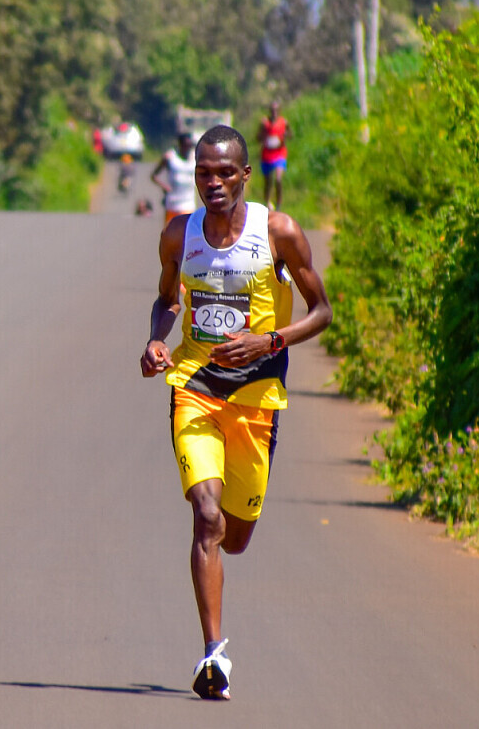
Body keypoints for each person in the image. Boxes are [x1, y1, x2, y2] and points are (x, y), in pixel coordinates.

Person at [139, 125, 331, 700]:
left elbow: (322, 311)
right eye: (204, 173)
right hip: (195, 386)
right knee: (206, 517)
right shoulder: (179, 234)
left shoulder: (278, 233)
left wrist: (268, 342)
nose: (213, 183)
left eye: (225, 172)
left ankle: (223, 551)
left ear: (246, 175)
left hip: (256, 399)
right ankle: (213, 656)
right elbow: (167, 300)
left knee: (235, 536)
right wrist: (156, 340)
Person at [151, 132, 197, 227]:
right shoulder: (170, 157)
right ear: (180, 145)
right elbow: (154, 176)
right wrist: (165, 187)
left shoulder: (196, 158)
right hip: (172, 203)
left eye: (189, 146)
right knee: (170, 231)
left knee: (186, 231)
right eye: (185, 146)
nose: (187, 149)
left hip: (188, 202)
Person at [255, 101, 292, 209]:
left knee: (278, 179)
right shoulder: (264, 123)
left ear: (279, 111)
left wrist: (285, 135)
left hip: (279, 154)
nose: (274, 113)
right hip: (267, 155)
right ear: (270, 111)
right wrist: (264, 136)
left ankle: (279, 204)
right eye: (272, 110)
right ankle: (267, 203)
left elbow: (290, 134)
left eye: (276, 110)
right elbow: (257, 138)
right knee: (268, 182)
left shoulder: (284, 122)